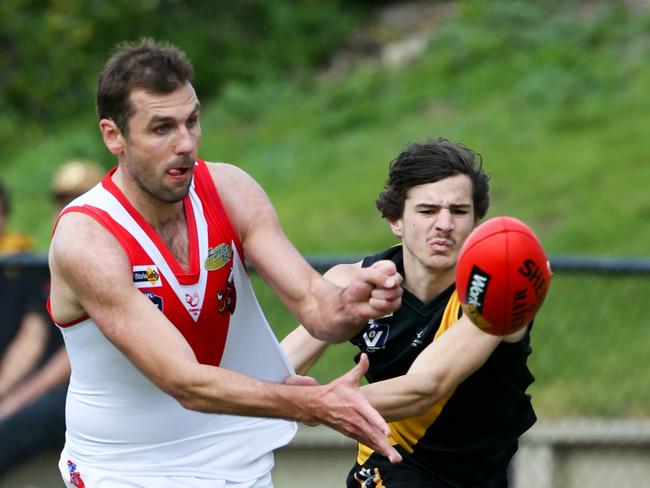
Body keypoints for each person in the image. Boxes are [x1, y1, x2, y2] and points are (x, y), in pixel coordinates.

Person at [47, 39, 404, 487]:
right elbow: (184, 383)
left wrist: (350, 307)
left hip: (235, 456)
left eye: (192, 121)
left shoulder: (231, 189)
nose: (185, 144)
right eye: (161, 128)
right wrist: (314, 405)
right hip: (123, 471)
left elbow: (315, 305)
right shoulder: (87, 236)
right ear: (113, 135)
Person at [282, 138, 537, 487]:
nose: (445, 224)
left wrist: (317, 403)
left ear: (478, 221)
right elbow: (279, 368)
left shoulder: (496, 288)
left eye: (459, 211)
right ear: (395, 220)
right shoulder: (352, 283)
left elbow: (424, 388)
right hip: (392, 467)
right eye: (428, 211)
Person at [0, 161, 103, 477]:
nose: (72, 208)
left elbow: (71, 357)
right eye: (64, 200)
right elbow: (31, 339)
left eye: (82, 197)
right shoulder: (48, 265)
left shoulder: (113, 261)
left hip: (91, 389)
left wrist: (14, 401)